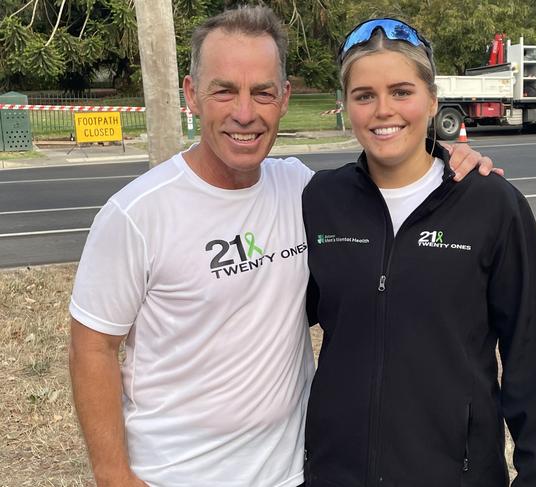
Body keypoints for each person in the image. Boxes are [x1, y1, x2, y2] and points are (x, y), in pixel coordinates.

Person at [68, 7, 496, 487]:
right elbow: (93, 345)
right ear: (191, 95)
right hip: (175, 474)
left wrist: (448, 158)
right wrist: (112, 475)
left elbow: (393, 182)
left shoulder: (304, 191)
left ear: (285, 98)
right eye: (224, 90)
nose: (245, 113)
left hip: (292, 472)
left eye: (263, 92)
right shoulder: (137, 214)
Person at [302, 18, 536, 487]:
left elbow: (533, 358)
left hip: (457, 474)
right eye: (364, 95)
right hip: (336, 472)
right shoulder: (320, 201)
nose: (384, 110)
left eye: (402, 91)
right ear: (345, 106)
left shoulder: (492, 205)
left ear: (433, 100)